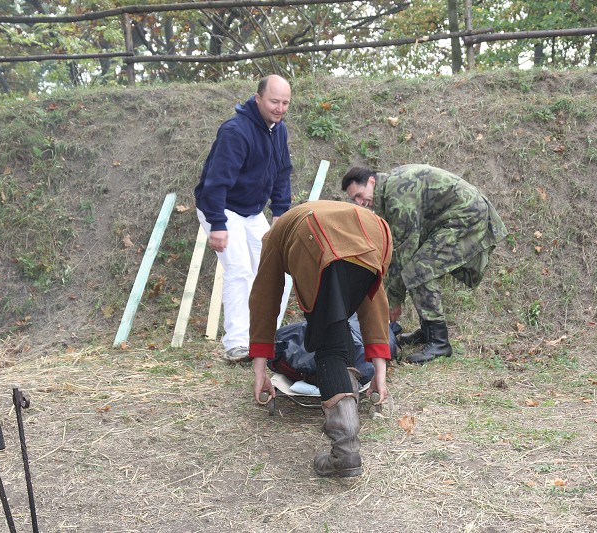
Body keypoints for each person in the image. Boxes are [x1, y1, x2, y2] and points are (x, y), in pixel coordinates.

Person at [249, 200, 393, 477]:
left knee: (329, 346)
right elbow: (374, 301)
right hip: (376, 232)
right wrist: (379, 370)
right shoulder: (339, 216)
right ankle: (346, 433)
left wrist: (259, 368)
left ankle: (346, 450)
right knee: (337, 334)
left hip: (314, 236)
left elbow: (265, 297)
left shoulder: (275, 235)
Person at [342, 164, 507, 364]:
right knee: (416, 267)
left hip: (466, 216)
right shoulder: (389, 190)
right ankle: (428, 330)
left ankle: (440, 342)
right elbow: (396, 249)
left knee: (419, 270)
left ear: (371, 181)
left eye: (360, 195)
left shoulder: (397, 196)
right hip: (453, 217)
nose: (360, 203)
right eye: (354, 200)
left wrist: (393, 301)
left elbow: (404, 250)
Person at [194, 75, 293, 363]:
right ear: (258, 98)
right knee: (239, 270)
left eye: (285, 103)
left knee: (279, 270)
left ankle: (264, 337)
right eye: (274, 101)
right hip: (222, 207)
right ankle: (237, 344)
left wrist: (280, 213)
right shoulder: (235, 131)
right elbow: (216, 181)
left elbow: (282, 171)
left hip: (252, 211)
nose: (280, 108)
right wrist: (217, 224)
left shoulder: (279, 130)